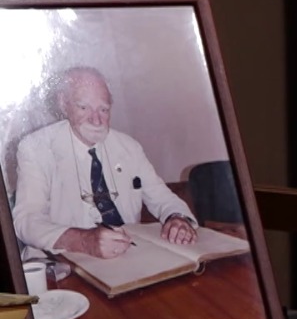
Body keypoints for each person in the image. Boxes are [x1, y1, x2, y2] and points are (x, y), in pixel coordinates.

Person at [12, 66, 198, 260]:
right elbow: (27, 221)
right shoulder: (36, 148)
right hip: (62, 260)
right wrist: (83, 241)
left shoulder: (129, 147)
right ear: (63, 103)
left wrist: (178, 218)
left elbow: (162, 197)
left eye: (103, 109)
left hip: (128, 256)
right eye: (84, 108)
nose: (96, 120)